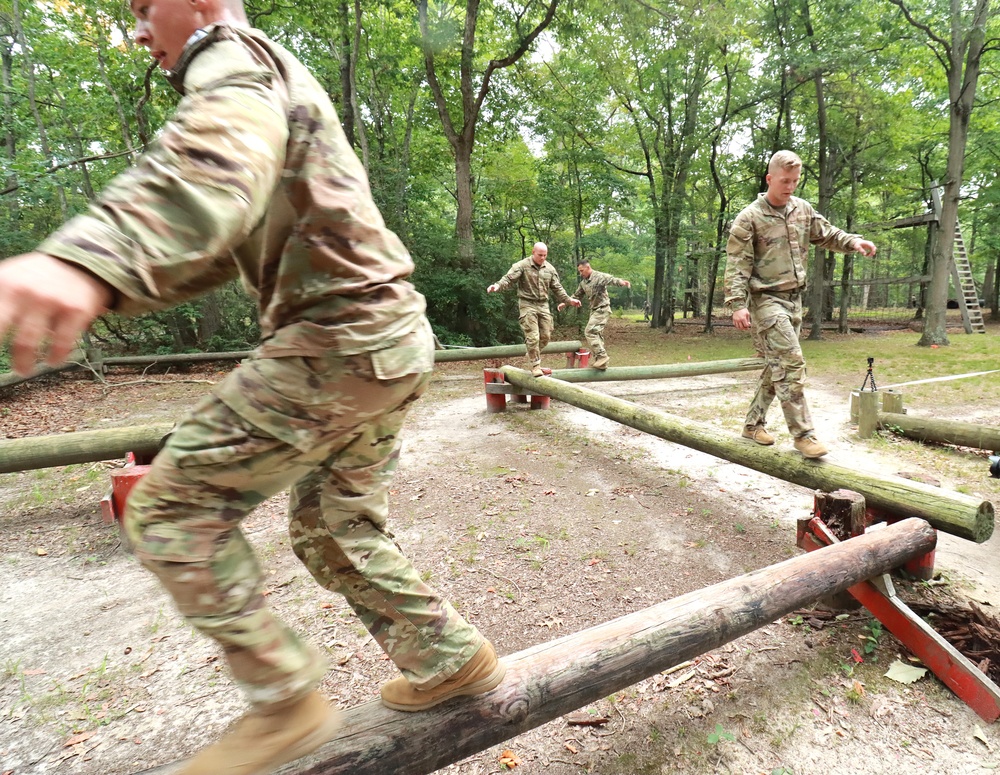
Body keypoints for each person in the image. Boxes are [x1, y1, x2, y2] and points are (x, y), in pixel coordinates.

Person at [0, 2, 505, 773]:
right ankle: (449, 657)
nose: (138, 30)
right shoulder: (269, 68)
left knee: (170, 507)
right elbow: (217, 234)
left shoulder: (230, 60)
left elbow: (217, 152)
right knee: (334, 525)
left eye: (145, 6)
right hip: (390, 337)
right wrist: (110, 282)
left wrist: (87, 257)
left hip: (338, 339)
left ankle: (283, 701)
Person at [724, 150, 876, 459]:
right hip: (766, 301)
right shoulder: (749, 217)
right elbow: (737, 264)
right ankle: (803, 435)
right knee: (791, 363)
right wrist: (737, 304)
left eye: (795, 181)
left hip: (794, 300)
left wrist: (853, 242)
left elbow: (827, 233)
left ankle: (753, 424)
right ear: (769, 179)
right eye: (785, 181)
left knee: (776, 366)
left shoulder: (802, 209)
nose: (790, 186)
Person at [487, 243, 579, 376]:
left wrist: (569, 300)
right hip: (527, 303)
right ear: (533, 252)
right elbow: (508, 279)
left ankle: (532, 354)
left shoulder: (550, 269)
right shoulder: (522, 265)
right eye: (540, 255)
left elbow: (557, 288)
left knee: (546, 336)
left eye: (545, 255)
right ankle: (536, 365)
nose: (542, 258)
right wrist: (497, 286)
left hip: (543, 304)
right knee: (533, 337)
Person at [558, 260, 631, 370]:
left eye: (582, 271)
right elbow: (576, 295)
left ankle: (602, 356)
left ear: (588, 267)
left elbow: (611, 279)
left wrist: (621, 282)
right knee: (596, 334)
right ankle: (601, 362)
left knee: (590, 331)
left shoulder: (598, 277)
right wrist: (565, 303)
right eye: (579, 271)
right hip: (594, 311)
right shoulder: (583, 283)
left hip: (602, 309)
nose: (580, 273)